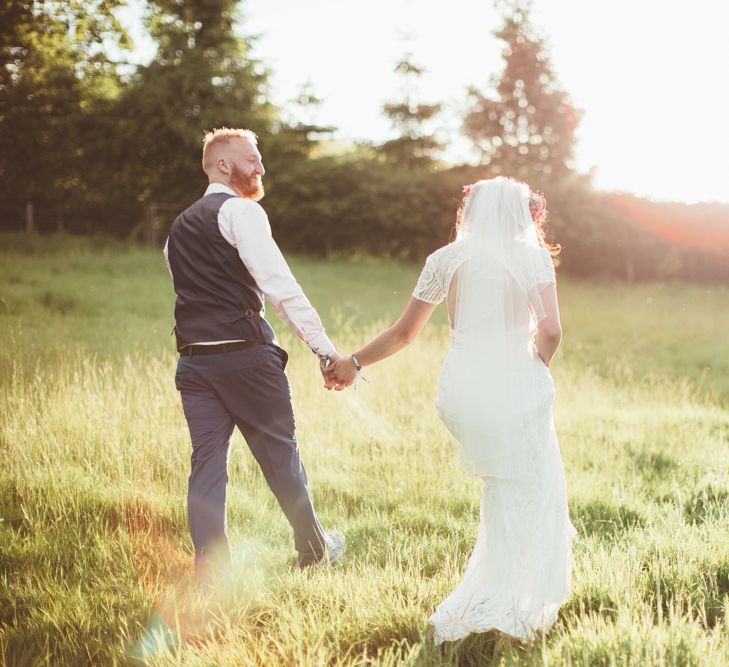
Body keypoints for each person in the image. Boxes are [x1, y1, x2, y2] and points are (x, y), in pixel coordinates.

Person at [325, 177, 574, 642]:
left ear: (471, 212)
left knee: (503, 487)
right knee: (532, 490)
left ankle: (498, 592)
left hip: (462, 391)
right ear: (524, 214)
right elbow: (553, 332)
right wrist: (533, 364)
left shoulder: (445, 260)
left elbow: (403, 334)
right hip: (515, 384)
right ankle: (514, 604)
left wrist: (352, 363)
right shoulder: (532, 257)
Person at [163, 127, 344, 590]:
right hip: (245, 359)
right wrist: (325, 349)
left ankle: (211, 573)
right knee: (281, 459)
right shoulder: (241, 212)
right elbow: (279, 286)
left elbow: (191, 292)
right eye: (252, 158)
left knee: (206, 466)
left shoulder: (177, 229)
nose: (261, 168)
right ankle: (314, 552)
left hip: (195, 363)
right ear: (223, 164)